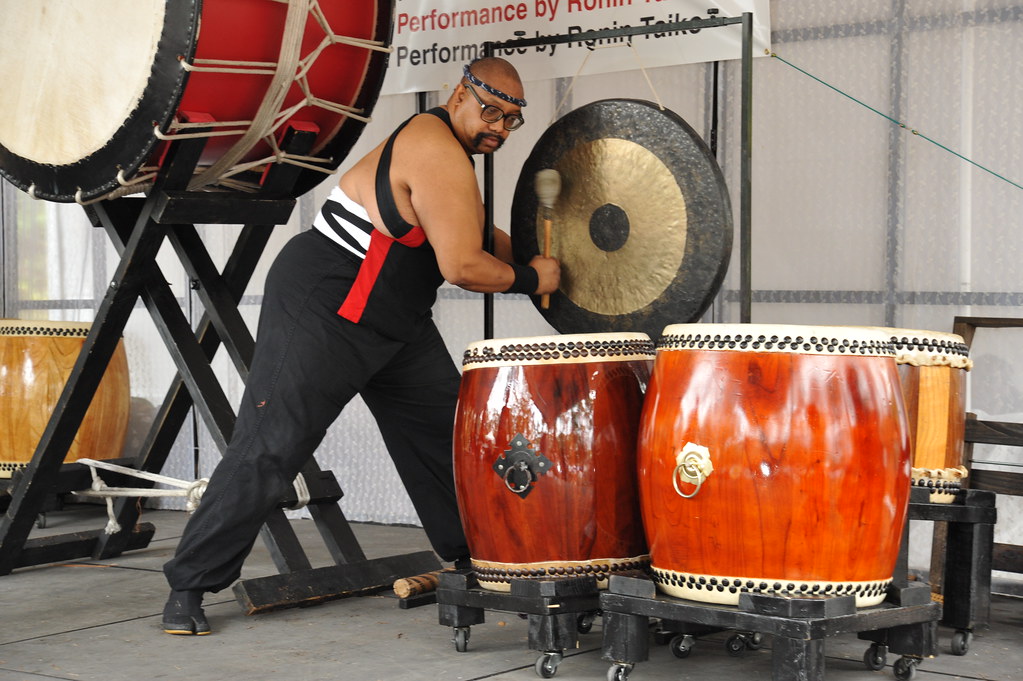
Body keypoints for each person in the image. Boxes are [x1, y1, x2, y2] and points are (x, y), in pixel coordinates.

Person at [161, 57, 560, 635]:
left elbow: (476, 231)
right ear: (459, 94)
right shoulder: (434, 144)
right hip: (327, 305)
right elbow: (464, 264)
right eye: (490, 110)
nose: (497, 127)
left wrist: (545, 253)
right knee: (274, 441)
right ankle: (189, 584)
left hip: (396, 323)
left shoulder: (453, 158)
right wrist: (534, 278)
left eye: (510, 120)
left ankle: (478, 560)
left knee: (451, 439)